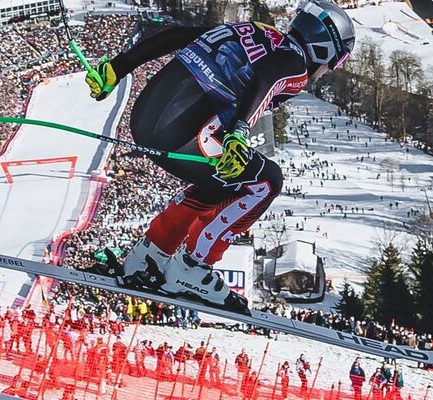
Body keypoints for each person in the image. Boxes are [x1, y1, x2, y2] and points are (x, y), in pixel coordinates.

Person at [84, 0, 356, 309]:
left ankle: (152, 252)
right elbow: (268, 76)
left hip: (146, 120)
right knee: (266, 181)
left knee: (226, 176)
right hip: (180, 136)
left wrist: (119, 67)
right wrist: (240, 132)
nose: (333, 68)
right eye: (339, 59)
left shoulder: (256, 31)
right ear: (324, 47)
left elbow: (178, 34)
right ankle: (192, 267)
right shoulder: (295, 66)